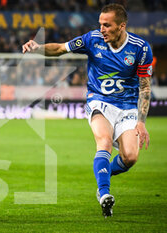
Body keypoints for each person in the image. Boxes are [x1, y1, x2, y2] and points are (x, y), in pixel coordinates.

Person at [22, 3, 152, 217]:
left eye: (107, 25)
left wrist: (141, 121)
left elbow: (145, 86)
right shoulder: (92, 39)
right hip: (99, 101)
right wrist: (37, 47)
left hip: (128, 105)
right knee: (104, 141)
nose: (102, 29)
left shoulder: (141, 48)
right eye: (100, 24)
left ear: (121, 26)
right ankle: (104, 194)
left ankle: (103, 176)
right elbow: (60, 48)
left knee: (130, 157)